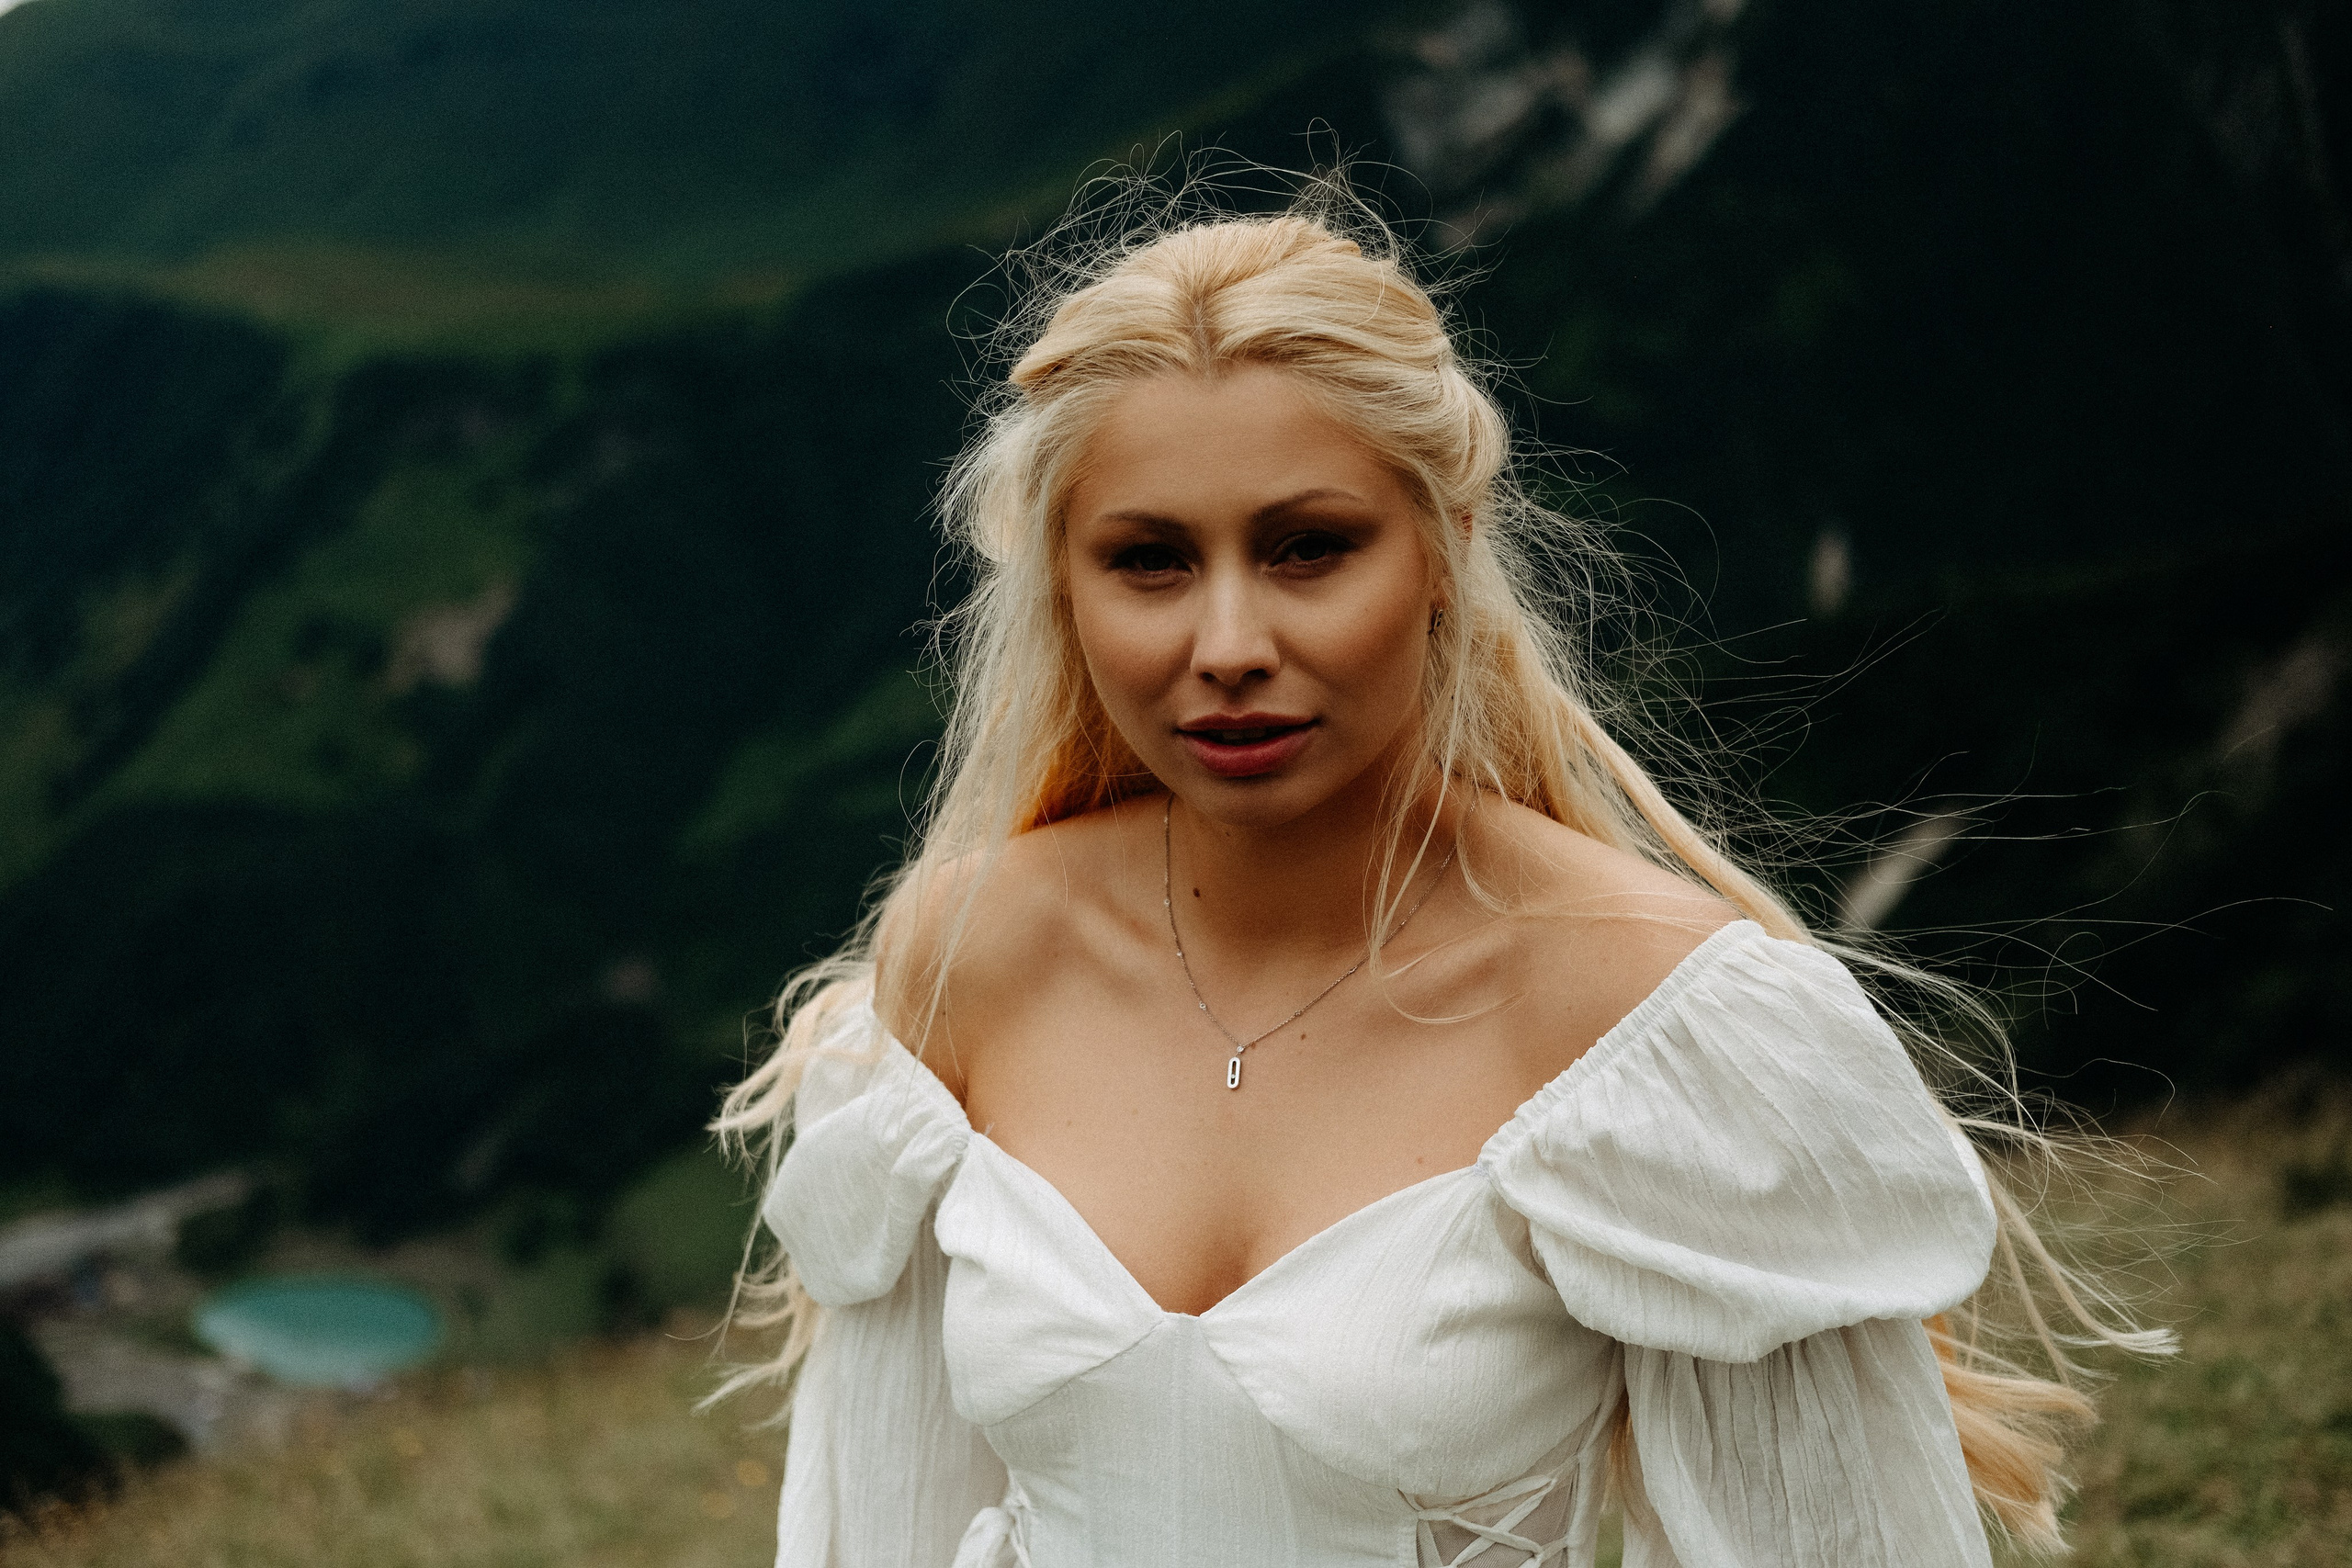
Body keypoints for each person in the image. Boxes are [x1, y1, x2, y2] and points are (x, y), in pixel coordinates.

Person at [716, 178, 2164, 1567]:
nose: (1226, 645)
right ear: (1065, 587)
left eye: (1307, 548)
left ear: (1444, 549)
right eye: (1150, 560)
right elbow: (882, 1509)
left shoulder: (1658, 1022)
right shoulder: (974, 948)